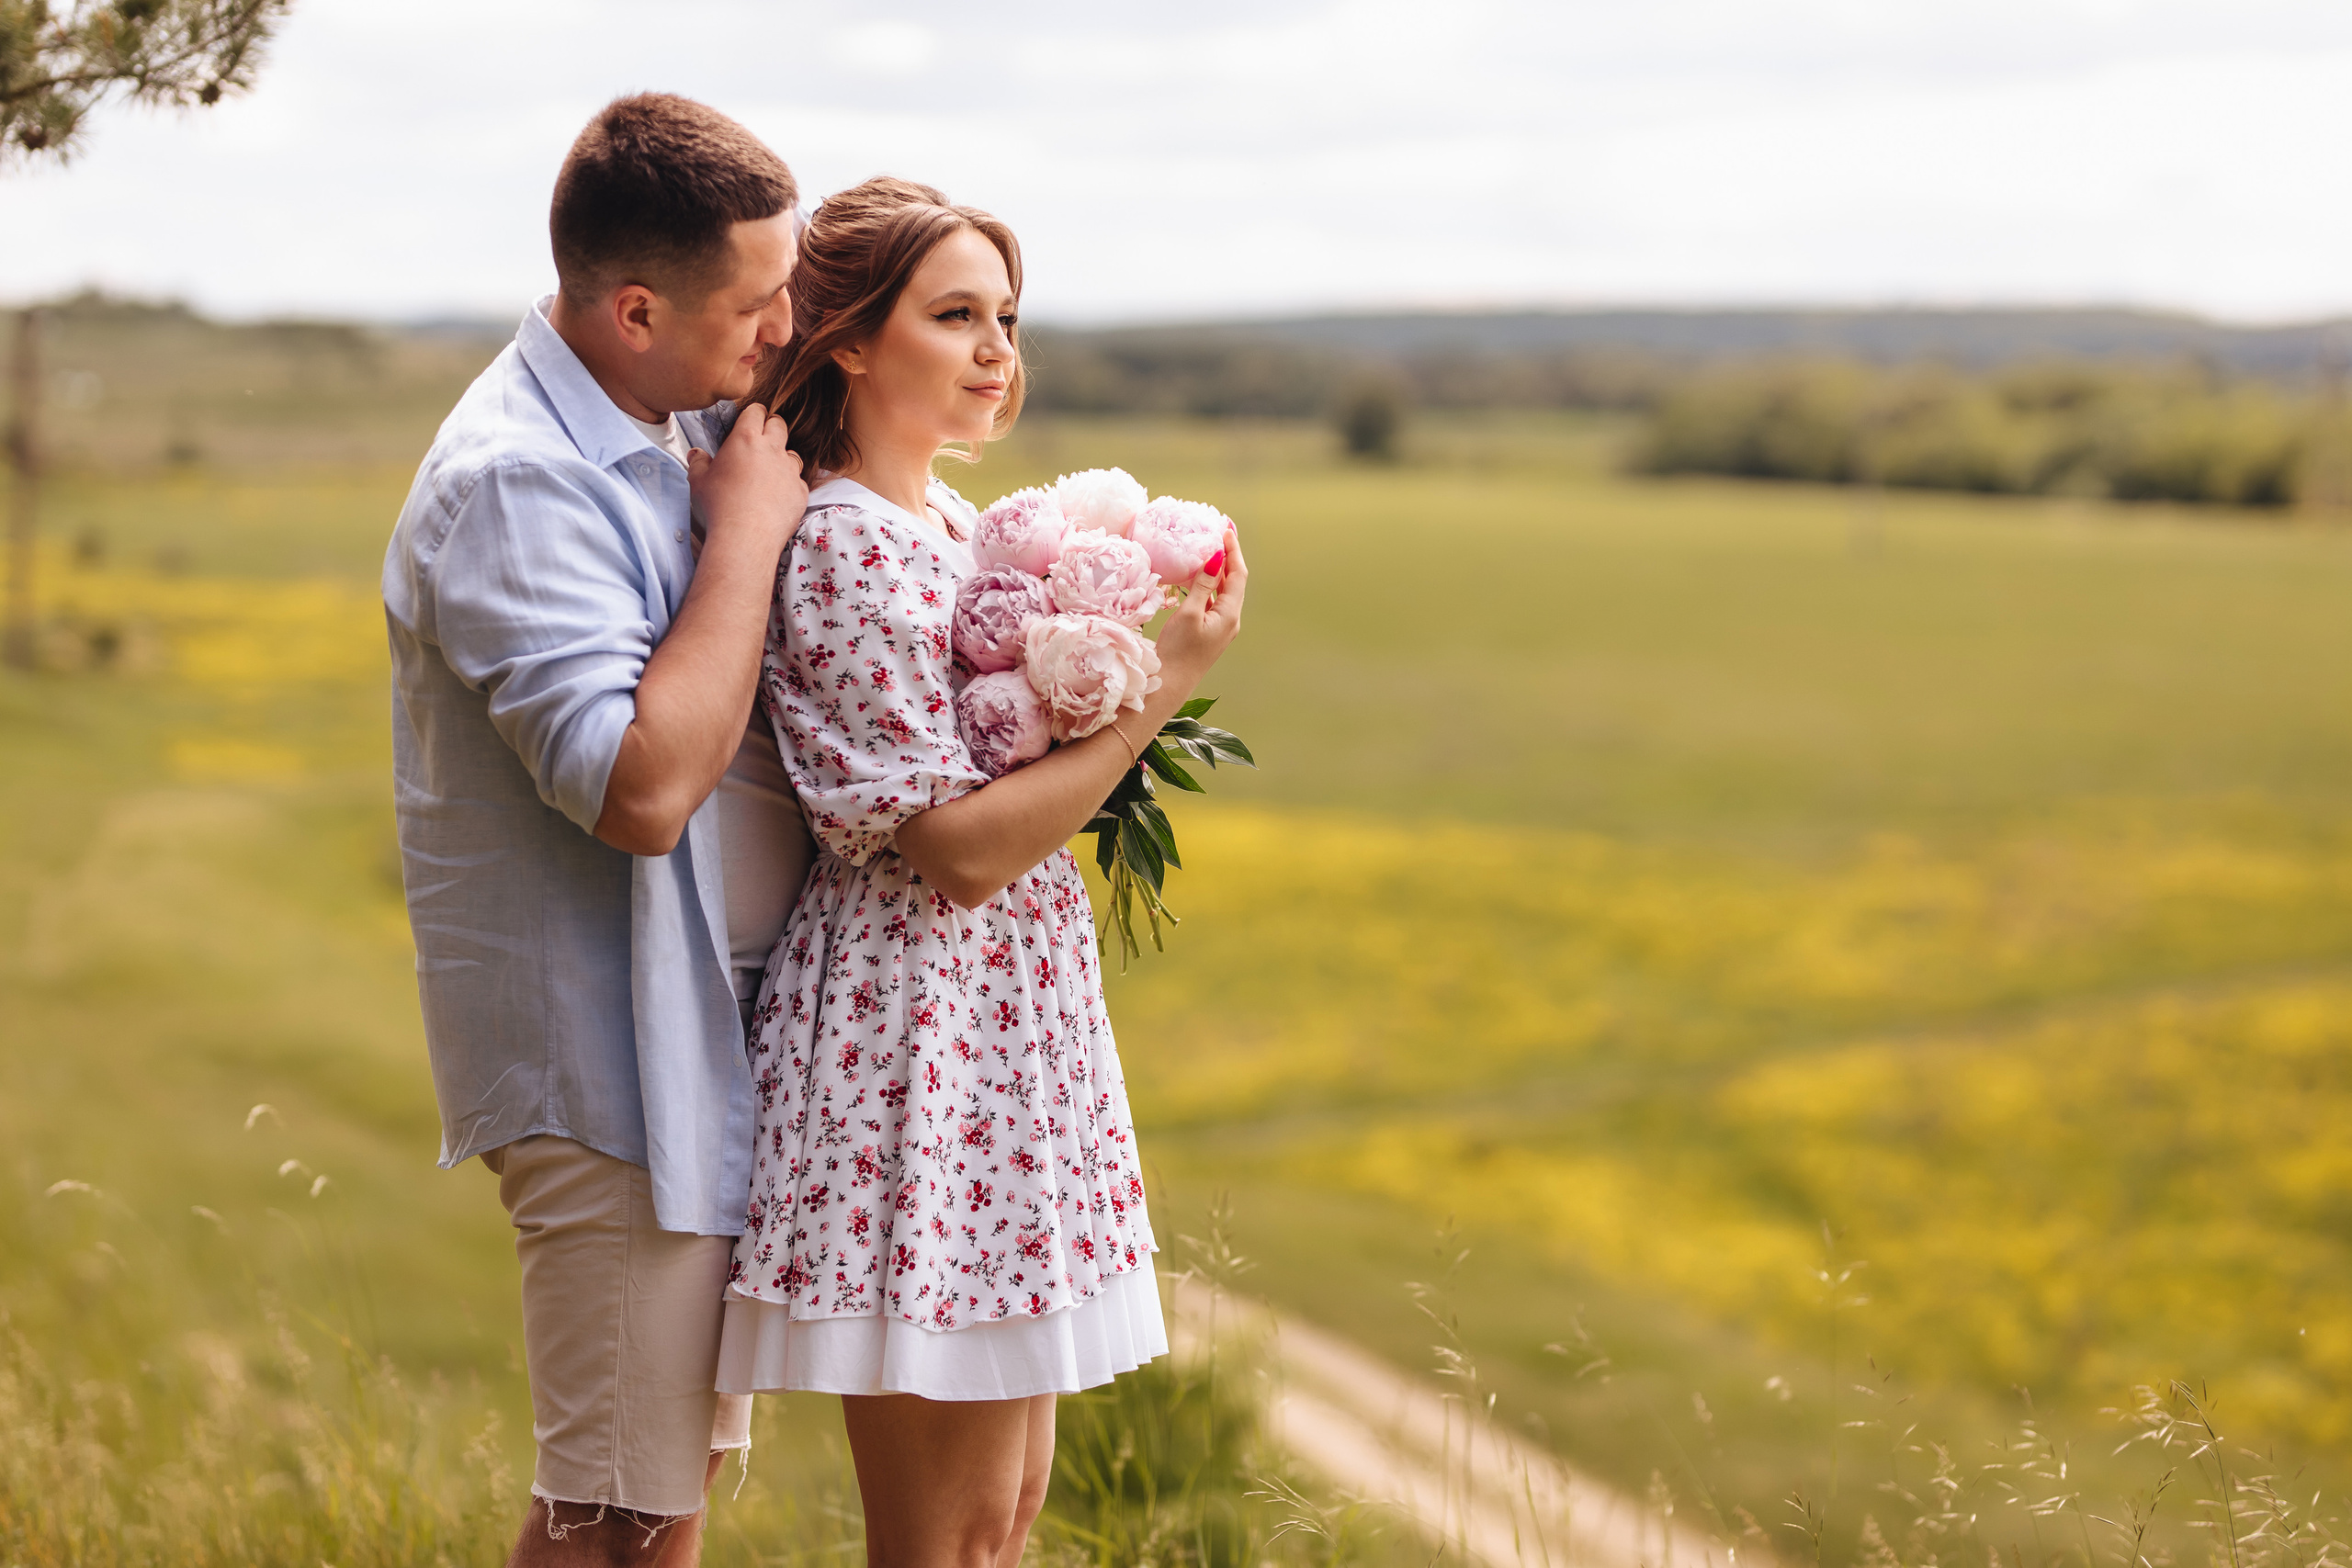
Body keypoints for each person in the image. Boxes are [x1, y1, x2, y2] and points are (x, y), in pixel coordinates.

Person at [717, 177, 1249, 1568]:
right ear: (846, 338)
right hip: (921, 1044)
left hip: (1007, 1031)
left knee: (1001, 1525)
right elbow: (955, 851)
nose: (998, 347)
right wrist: (1153, 690)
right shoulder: (842, 547)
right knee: (942, 1541)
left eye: (1005, 316)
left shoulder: (951, 528)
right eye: (955, 315)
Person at [381, 93, 809, 1567]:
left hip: (687, 1055)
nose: (781, 328)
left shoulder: (664, 414)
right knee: (611, 1515)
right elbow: (636, 789)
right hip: (608, 1066)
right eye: (760, 302)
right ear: (635, 309)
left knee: (655, 1502)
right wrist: (748, 533)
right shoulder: (516, 483)